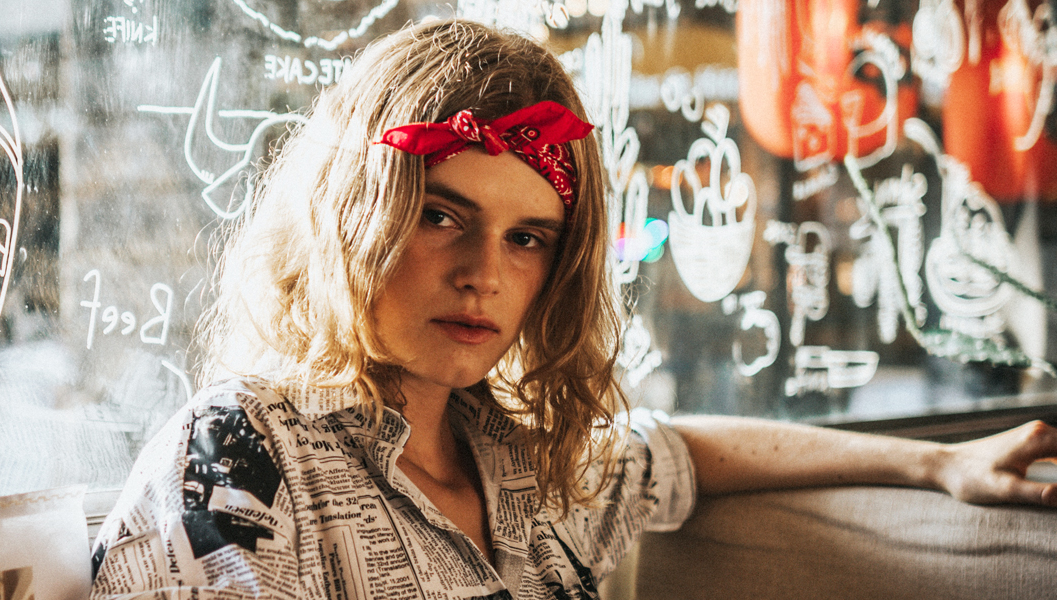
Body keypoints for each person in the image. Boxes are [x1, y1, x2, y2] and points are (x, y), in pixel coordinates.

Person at [88, 18, 1057, 599]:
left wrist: (934, 460)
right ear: (352, 217)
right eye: (439, 216)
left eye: (528, 236)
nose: (484, 274)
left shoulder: (522, 460)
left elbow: (676, 451)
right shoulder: (240, 452)